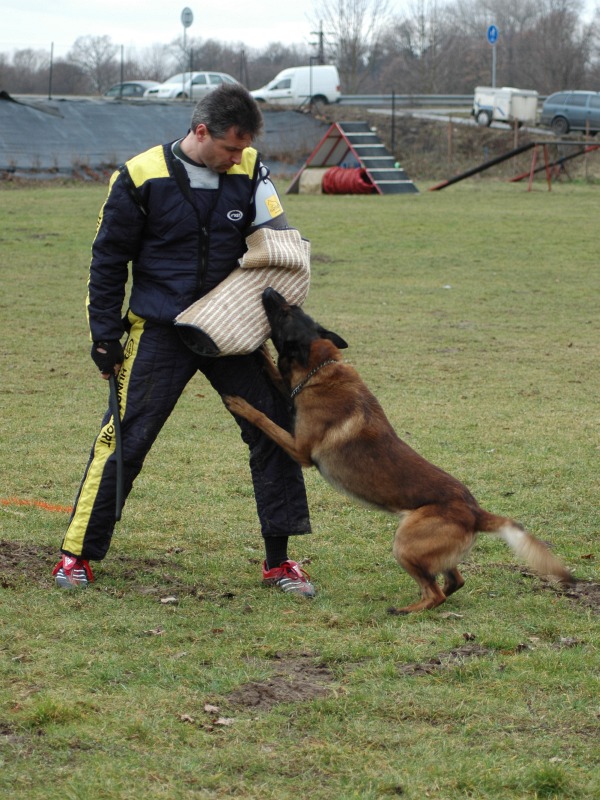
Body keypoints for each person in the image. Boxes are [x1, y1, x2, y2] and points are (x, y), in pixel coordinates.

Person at [52, 83, 315, 597]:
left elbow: (277, 238)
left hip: (228, 328)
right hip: (159, 329)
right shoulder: (139, 175)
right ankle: (76, 555)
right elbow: (108, 261)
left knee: (276, 428)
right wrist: (104, 336)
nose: (238, 158)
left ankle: (279, 563)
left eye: (244, 149)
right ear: (200, 132)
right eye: (230, 148)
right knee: (125, 437)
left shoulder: (250, 168)